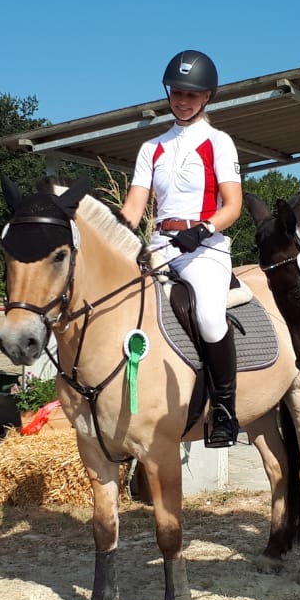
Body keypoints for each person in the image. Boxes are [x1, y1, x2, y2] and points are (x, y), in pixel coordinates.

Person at [119, 50, 243, 447]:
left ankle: (224, 410)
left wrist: (202, 230)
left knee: (208, 316)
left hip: (205, 249)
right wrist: (110, 232)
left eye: (192, 94)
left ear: (207, 96)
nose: (183, 100)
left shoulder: (218, 142)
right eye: (177, 92)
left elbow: (233, 206)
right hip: (160, 244)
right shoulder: (151, 147)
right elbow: (133, 208)